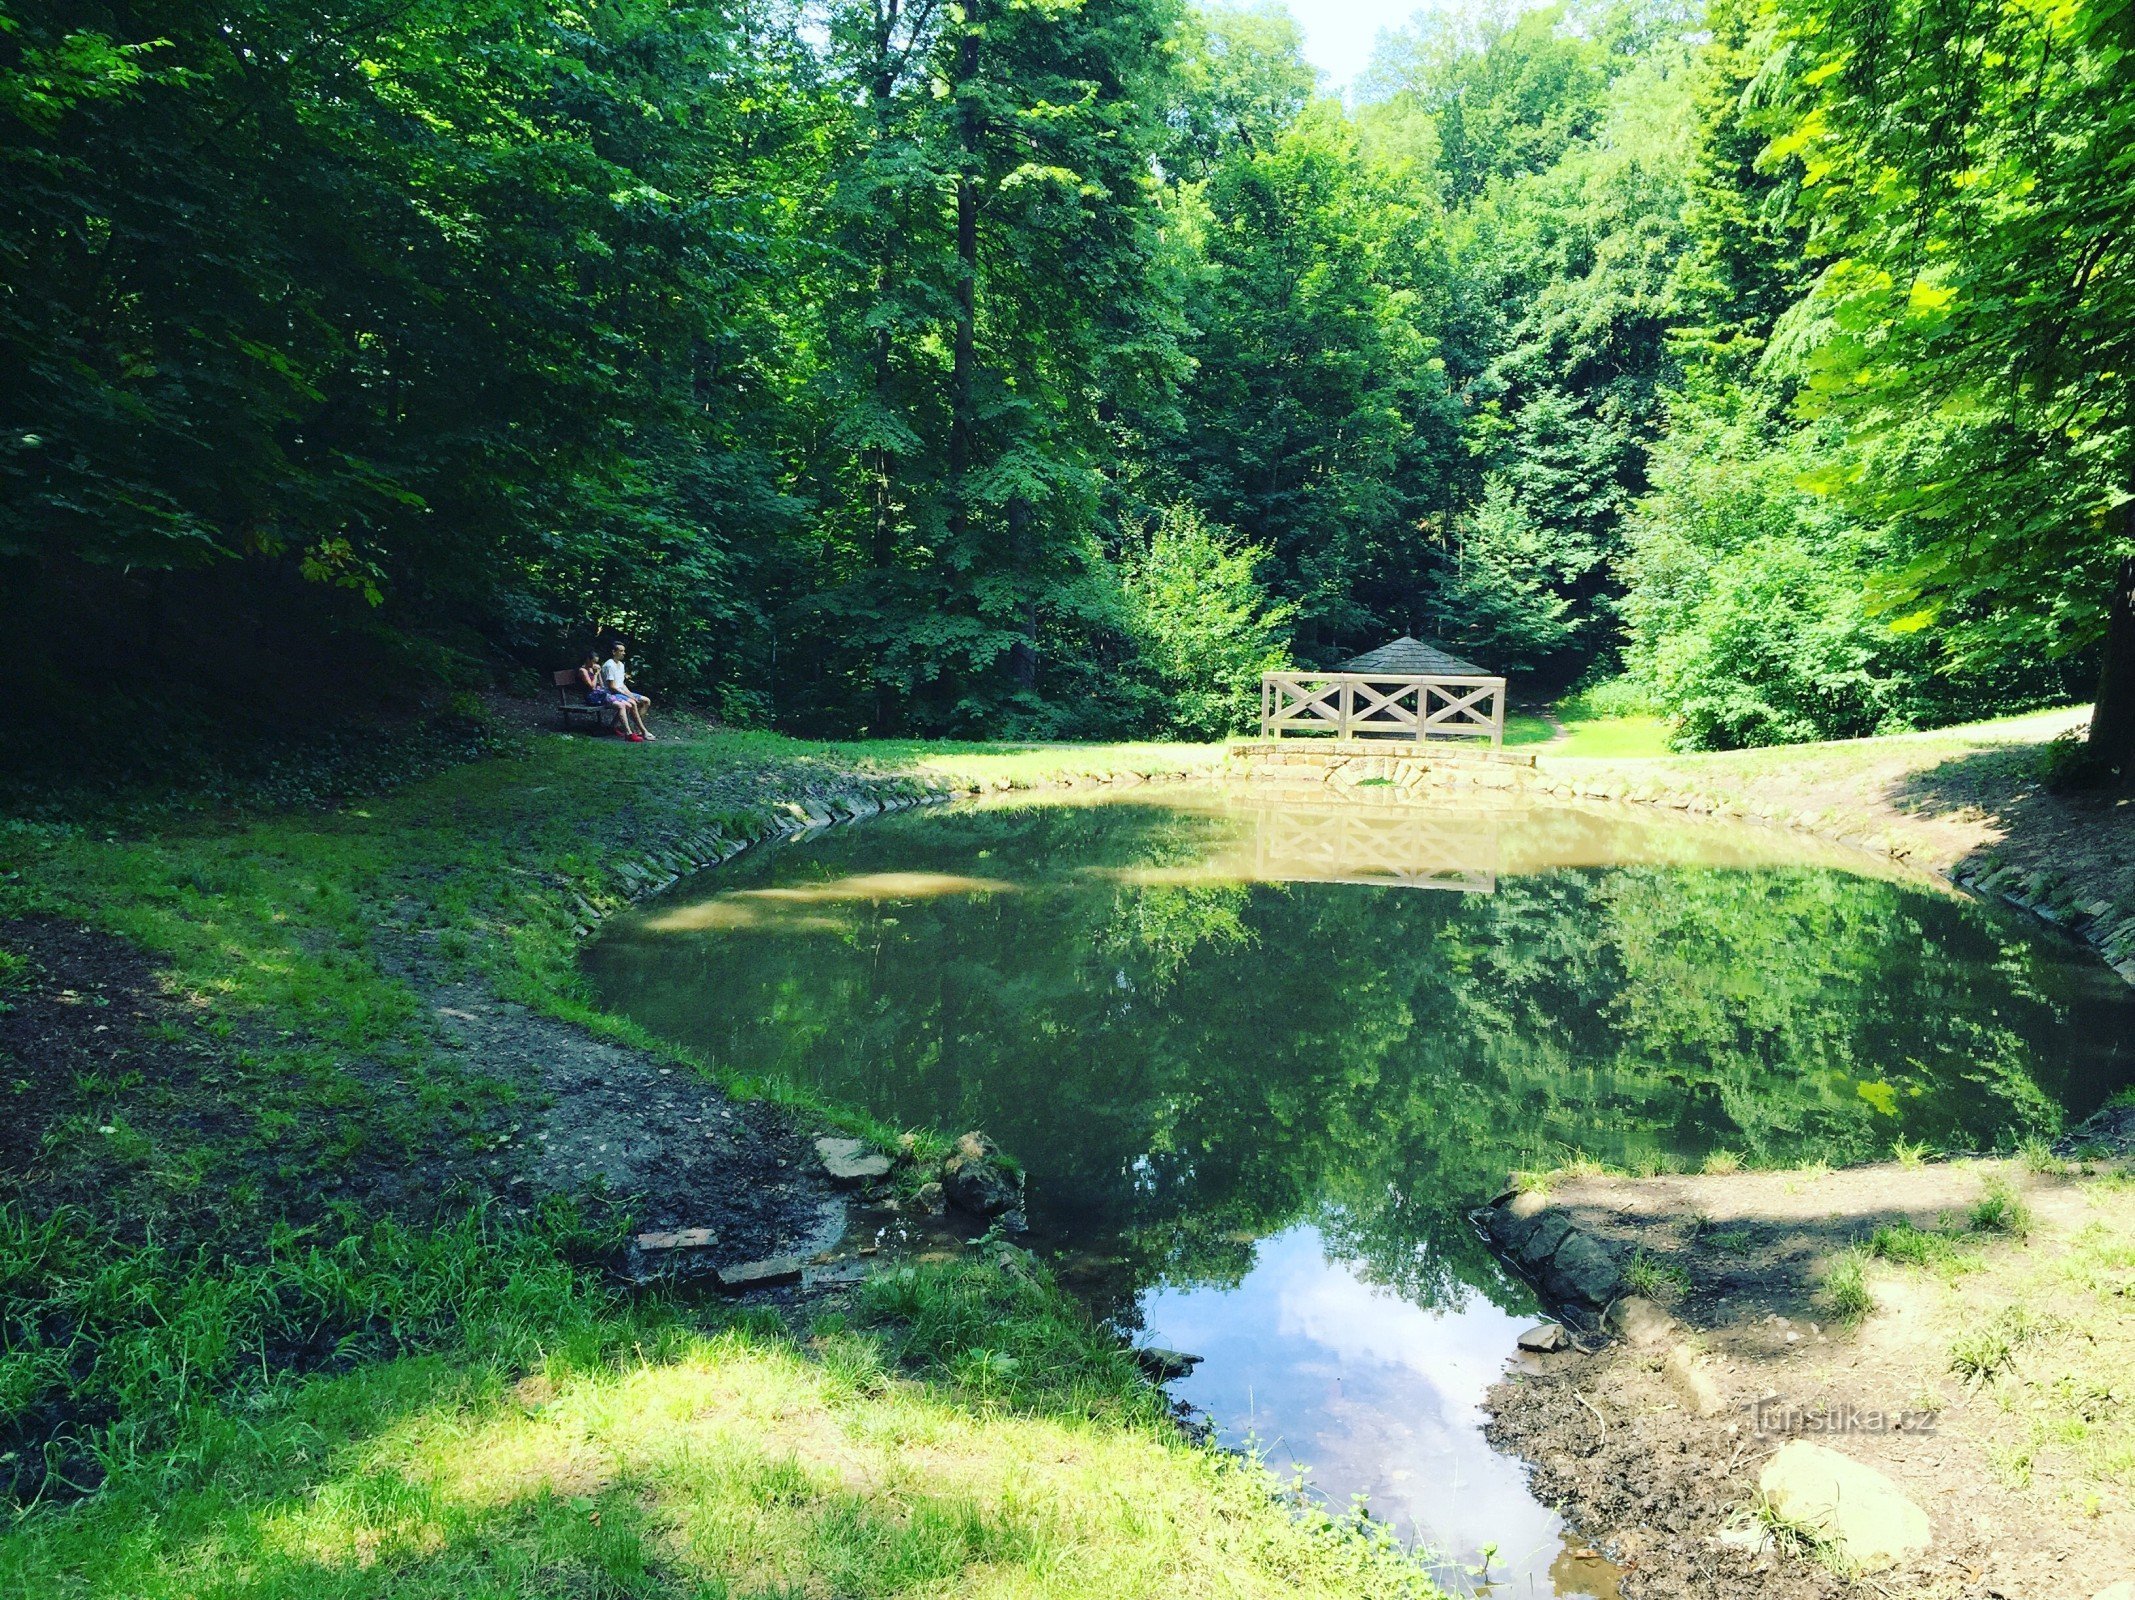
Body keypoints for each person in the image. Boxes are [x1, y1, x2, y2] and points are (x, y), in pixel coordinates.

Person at [576, 651, 639, 740]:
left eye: (596, 662)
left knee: (628, 705)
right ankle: (628, 733)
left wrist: (599, 673)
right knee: (621, 705)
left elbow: (601, 685)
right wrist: (596, 674)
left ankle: (612, 727)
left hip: (600, 694)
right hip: (592, 697)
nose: (594, 664)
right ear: (587, 659)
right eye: (593, 661)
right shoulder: (582, 671)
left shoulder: (591, 669)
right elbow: (592, 687)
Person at [599, 640, 655, 740]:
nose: (624, 653)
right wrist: (629, 696)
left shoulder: (621, 665)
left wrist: (629, 693)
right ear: (613, 652)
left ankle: (636, 728)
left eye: (624, 651)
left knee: (646, 701)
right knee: (632, 702)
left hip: (622, 691)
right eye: (621, 651)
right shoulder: (609, 665)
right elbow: (612, 687)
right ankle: (643, 731)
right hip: (612, 694)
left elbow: (622, 684)